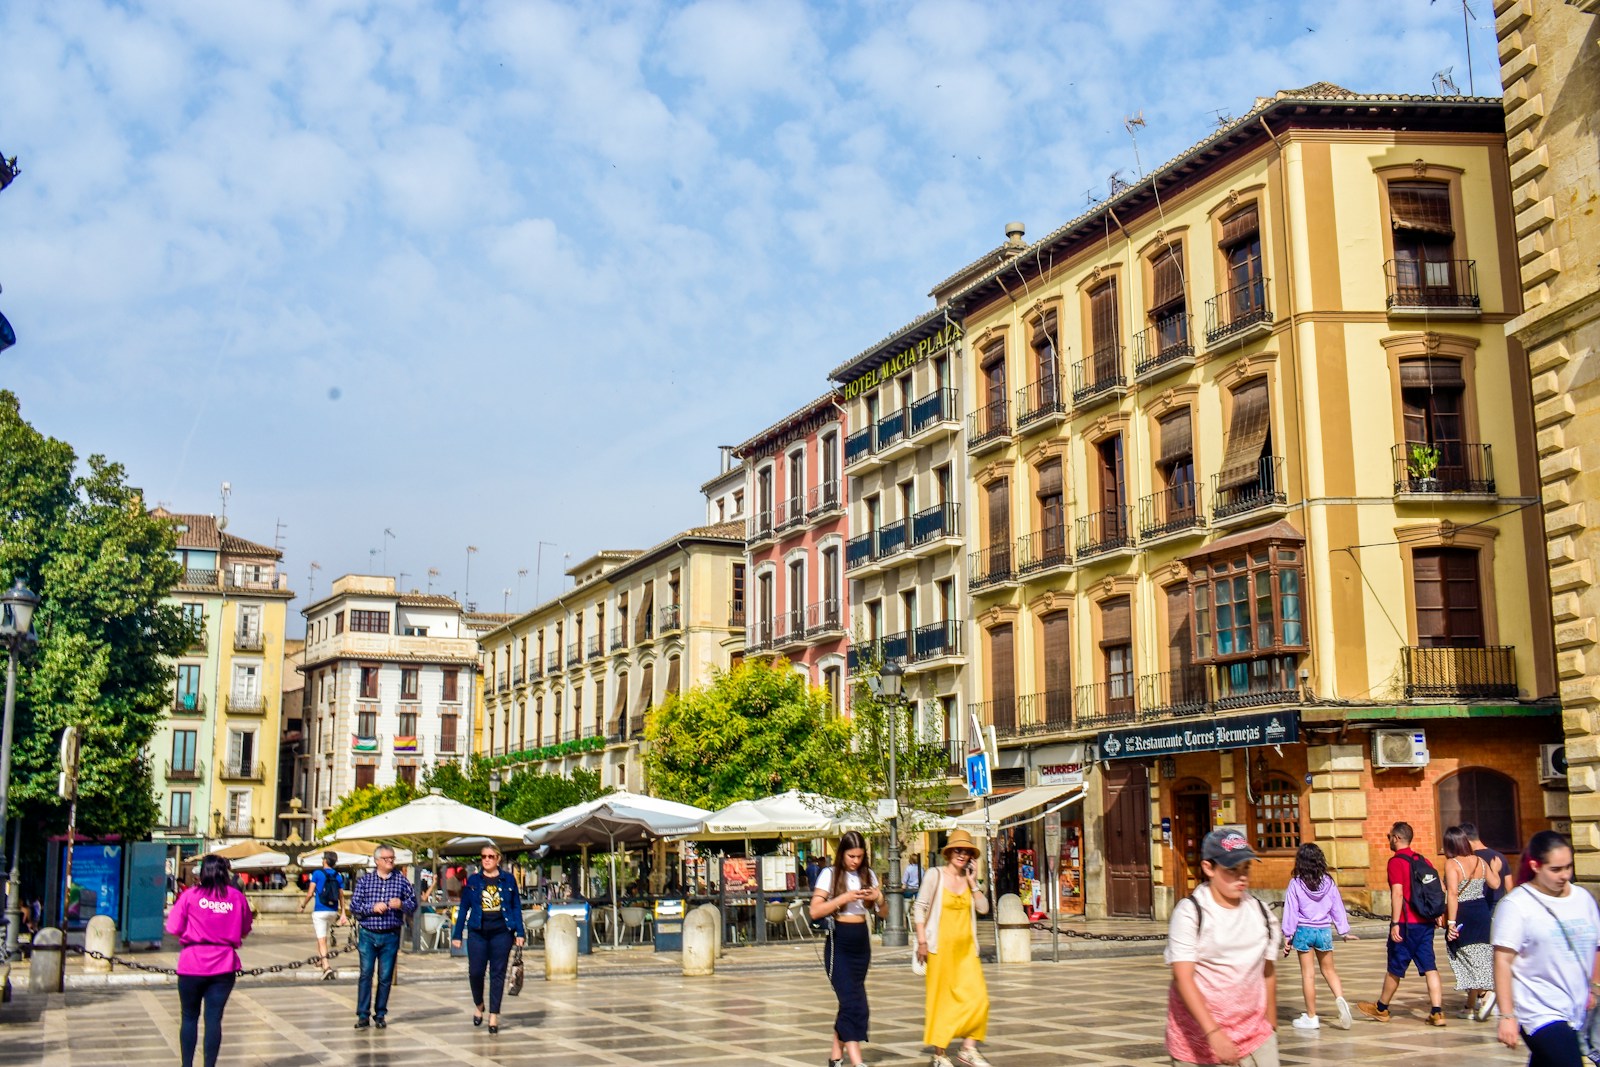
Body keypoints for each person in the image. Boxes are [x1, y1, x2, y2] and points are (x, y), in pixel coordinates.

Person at [1165, 828, 1281, 1067]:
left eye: (1246, 868)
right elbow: (1183, 977)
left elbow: (1267, 971)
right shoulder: (1191, 913)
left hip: (1256, 1036)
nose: (1242, 877)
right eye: (1231, 869)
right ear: (1208, 868)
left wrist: (1271, 1024)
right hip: (1198, 1042)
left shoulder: (1261, 912)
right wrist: (1213, 1033)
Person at [1492, 830, 1600, 1066]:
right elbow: (1502, 960)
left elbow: (1596, 946)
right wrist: (1507, 1015)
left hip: (1575, 1008)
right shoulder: (1517, 905)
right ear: (1535, 866)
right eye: (1556, 869)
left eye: (1568, 867)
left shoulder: (1583, 899)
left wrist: (1594, 987)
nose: (1565, 875)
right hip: (1538, 1010)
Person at [915, 828, 993, 1067]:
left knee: (979, 999)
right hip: (940, 949)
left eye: (966, 851)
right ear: (948, 853)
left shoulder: (968, 881)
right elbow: (919, 907)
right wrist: (922, 941)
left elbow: (983, 909)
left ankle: (968, 1049)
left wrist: (973, 883)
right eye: (957, 850)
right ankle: (940, 1054)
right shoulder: (935, 875)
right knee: (942, 1001)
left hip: (967, 950)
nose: (962, 854)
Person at [164, 854, 253, 1067]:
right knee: (213, 1019)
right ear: (225, 873)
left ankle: (187, 1064)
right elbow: (245, 929)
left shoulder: (190, 895)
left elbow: (173, 927)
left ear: (203, 873)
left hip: (192, 963)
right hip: (224, 965)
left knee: (189, 1017)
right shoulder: (236, 897)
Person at [1358, 821, 1446, 1027]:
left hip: (1407, 924)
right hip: (1425, 923)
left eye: (1389, 836)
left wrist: (1395, 923)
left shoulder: (1396, 862)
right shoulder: (1423, 860)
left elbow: (1397, 894)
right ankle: (1437, 1012)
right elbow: (1439, 888)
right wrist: (1437, 913)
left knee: (1395, 968)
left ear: (1397, 838)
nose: (1388, 839)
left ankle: (1382, 1008)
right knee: (1430, 967)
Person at [810, 830, 885, 1067]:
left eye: (860, 856)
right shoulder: (830, 874)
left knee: (849, 1002)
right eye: (851, 856)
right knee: (854, 1003)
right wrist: (843, 898)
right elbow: (815, 911)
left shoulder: (868, 874)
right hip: (839, 942)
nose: (855, 861)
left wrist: (878, 897)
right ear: (842, 853)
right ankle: (857, 1061)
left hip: (860, 940)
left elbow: (884, 913)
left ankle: (835, 1057)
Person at [1280, 842, 1356, 1030]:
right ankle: (1340, 999)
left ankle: (1311, 1017)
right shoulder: (1328, 882)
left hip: (1304, 931)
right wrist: (1343, 931)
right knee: (1329, 971)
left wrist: (1287, 935)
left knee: (1308, 975)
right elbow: (1337, 907)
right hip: (1324, 931)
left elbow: (1291, 911)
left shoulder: (1296, 883)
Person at [452, 844, 527, 1034]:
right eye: (484, 856)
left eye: (491, 856)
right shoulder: (474, 880)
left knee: (497, 973)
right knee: (475, 972)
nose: (486, 859)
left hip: (502, 932)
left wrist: (520, 932)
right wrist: (457, 933)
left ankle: (494, 1014)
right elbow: (464, 907)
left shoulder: (508, 879)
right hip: (478, 932)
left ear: (498, 858)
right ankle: (479, 1004)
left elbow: (516, 907)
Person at [349, 844, 418, 1030]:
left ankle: (380, 1014)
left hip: (390, 934)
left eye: (392, 858)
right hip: (368, 934)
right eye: (386, 859)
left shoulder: (401, 881)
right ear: (377, 861)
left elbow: (413, 904)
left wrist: (401, 904)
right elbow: (354, 906)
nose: (390, 862)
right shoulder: (365, 881)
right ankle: (363, 1015)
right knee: (366, 974)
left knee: (385, 976)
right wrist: (372, 908)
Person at [1443, 824, 1500, 1021]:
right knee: (1480, 954)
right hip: (1482, 912)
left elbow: (1452, 893)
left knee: (1464, 956)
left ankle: (1487, 994)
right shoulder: (1480, 861)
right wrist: (1494, 869)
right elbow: (1495, 884)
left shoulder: (1452, 864)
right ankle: (1469, 1006)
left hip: (1464, 913)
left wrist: (1451, 923)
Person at [297, 851, 348, 979]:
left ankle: (326, 966)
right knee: (322, 936)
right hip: (332, 911)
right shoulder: (338, 876)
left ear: (325, 860)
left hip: (320, 910)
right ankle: (320, 960)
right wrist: (343, 913)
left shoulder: (317, 874)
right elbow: (341, 896)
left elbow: (310, 893)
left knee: (322, 939)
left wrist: (303, 905)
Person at [1463, 821, 1513, 907]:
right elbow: (1509, 887)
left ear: (1466, 840)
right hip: (1499, 905)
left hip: (1479, 906)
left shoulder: (1470, 859)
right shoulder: (1499, 856)